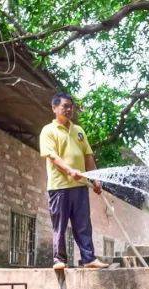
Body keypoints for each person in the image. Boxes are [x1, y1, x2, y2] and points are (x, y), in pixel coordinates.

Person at [39, 93, 109, 271]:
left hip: (80, 186)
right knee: (60, 225)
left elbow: (88, 156)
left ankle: (89, 259)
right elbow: (52, 156)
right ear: (54, 108)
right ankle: (59, 260)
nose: (69, 109)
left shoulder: (79, 131)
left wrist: (95, 178)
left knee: (83, 224)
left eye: (71, 106)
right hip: (59, 187)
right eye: (64, 106)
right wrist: (70, 171)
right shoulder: (48, 131)